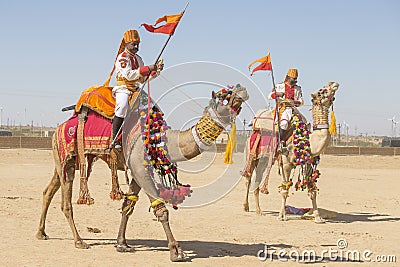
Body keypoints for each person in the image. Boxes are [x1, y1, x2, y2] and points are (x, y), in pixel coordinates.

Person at [112, 29, 163, 149]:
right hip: (123, 88)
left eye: (138, 44)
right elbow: (129, 75)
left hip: (135, 88)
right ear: (126, 44)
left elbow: (142, 79)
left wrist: (156, 71)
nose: (136, 47)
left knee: (153, 107)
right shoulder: (122, 58)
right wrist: (148, 68)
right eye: (133, 44)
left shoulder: (138, 59)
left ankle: (156, 135)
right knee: (122, 106)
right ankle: (115, 138)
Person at [268, 68, 304, 148]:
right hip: (282, 109)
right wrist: (278, 94)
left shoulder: (298, 89)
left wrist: (294, 102)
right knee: (284, 123)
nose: (295, 80)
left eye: (296, 79)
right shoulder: (279, 86)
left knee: (304, 123)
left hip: (293, 109)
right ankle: (280, 142)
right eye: (293, 78)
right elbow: (270, 96)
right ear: (288, 77)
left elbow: (301, 101)